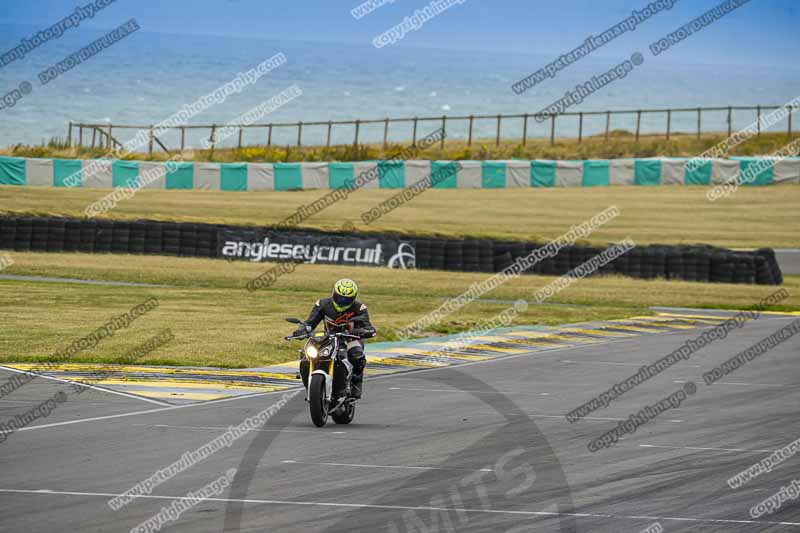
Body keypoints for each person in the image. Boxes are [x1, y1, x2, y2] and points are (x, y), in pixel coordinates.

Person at [293, 278, 376, 398]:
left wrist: (362, 331)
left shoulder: (359, 308)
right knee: (306, 357)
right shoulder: (322, 304)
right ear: (334, 293)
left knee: (357, 356)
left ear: (353, 299)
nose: (342, 301)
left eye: (346, 299)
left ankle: (356, 384)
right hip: (328, 338)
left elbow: (369, 327)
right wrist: (302, 330)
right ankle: (311, 386)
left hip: (350, 339)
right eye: (339, 297)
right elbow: (310, 322)